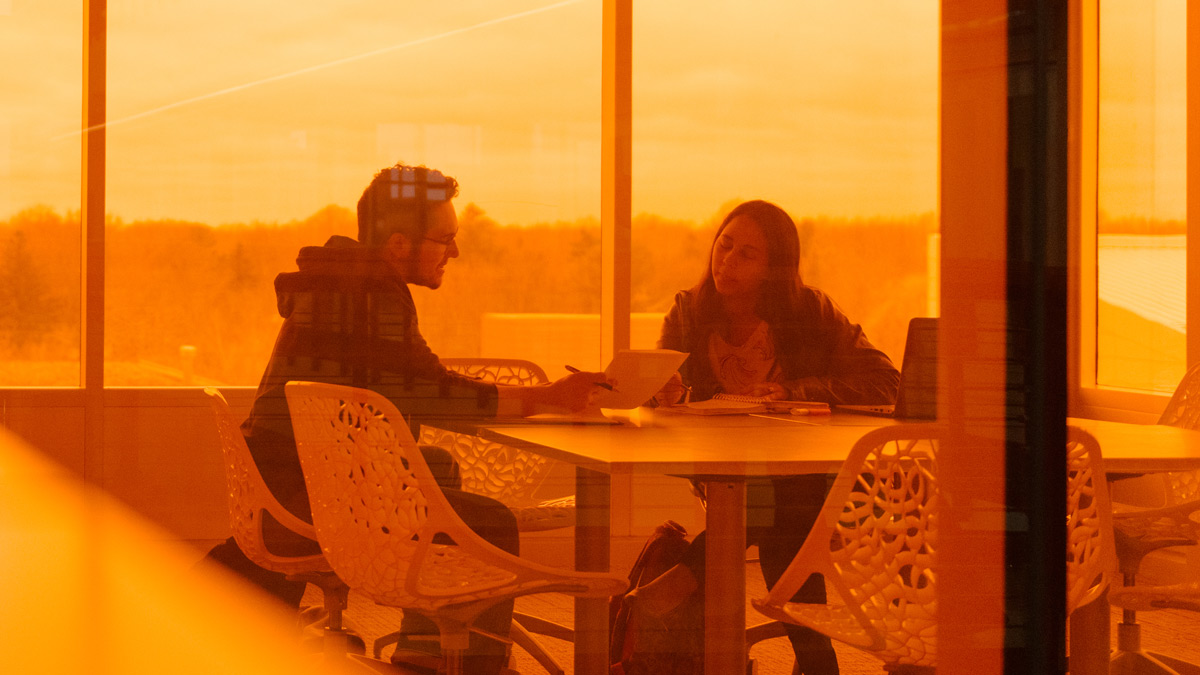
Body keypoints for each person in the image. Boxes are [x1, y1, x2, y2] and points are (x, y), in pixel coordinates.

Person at [204, 162, 607, 674]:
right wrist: (548, 396)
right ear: (398, 244)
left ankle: (425, 647)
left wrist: (543, 396)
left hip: (279, 483)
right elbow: (433, 392)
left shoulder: (336, 281)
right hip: (308, 500)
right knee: (491, 521)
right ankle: (464, 663)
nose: (454, 252)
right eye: (445, 239)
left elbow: (412, 381)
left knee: (434, 466)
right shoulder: (374, 295)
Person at [638, 199, 900, 674]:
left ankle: (697, 570)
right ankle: (817, 661)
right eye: (725, 245)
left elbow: (886, 380)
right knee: (780, 503)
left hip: (807, 476)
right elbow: (658, 392)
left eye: (747, 254)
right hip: (725, 470)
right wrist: (665, 391)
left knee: (785, 500)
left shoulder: (811, 311)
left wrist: (793, 390)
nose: (728, 261)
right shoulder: (688, 311)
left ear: (774, 268)